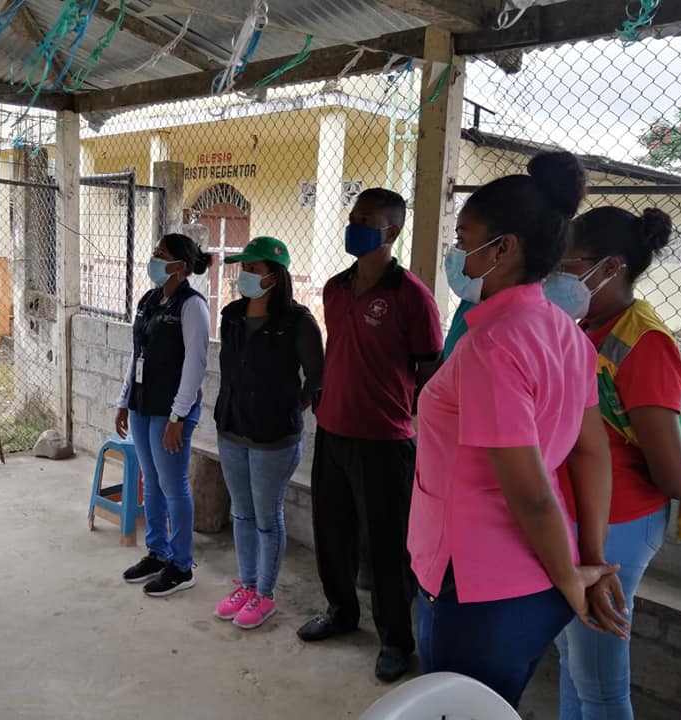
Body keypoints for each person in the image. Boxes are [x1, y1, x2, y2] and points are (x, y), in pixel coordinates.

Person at [408, 152, 623, 708]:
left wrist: (575, 578)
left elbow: (528, 493)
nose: (457, 253)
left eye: (464, 239)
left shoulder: (492, 345)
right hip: (539, 577)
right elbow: (591, 453)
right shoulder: (565, 333)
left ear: (502, 248)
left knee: (456, 707)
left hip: (478, 584)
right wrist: (587, 559)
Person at [544, 206, 681, 719]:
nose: (555, 277)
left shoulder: (643, 344)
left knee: (600, 681)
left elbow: (675, 478)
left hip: (619, 524)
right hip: (579, 517)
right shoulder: (587, 323)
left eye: (566, 266)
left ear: (609, 268)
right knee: (572, 659)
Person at [296, 188, 443, 683]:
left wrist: (410, 415)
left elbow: (430, 367)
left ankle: (396, 641)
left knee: (386, 547)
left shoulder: (412, 296)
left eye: (367, 220)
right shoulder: (335, 289)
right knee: (332, 534)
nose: (354, 225)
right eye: (353, 216)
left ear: (392, 231)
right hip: (332, 429)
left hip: (385, 440)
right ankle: (341, 612)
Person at [212, 236, 324, 629]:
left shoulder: (298, 322)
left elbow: (317, 377)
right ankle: (246, 585)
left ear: (274, 276)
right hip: (231, 430)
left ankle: (265, 594)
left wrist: (289, 408)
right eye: (243, 268)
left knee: (265, 518)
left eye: (253, 269)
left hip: (273, 440)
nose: (244, 275)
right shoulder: (231, 315)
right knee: (241, 514)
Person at [115, 233, 211, 597]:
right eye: (155, 251)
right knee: (151, 481)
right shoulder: (149, 300)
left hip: (171, 411)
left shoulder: (192, 306)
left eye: (162, 254)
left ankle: (182, 565)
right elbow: (136, 354)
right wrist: (124, 400)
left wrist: (178, 417)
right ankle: (157, 552)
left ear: (181, 266)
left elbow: (195, 365)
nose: (154, 258)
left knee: (173, 486)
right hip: (142, 404)